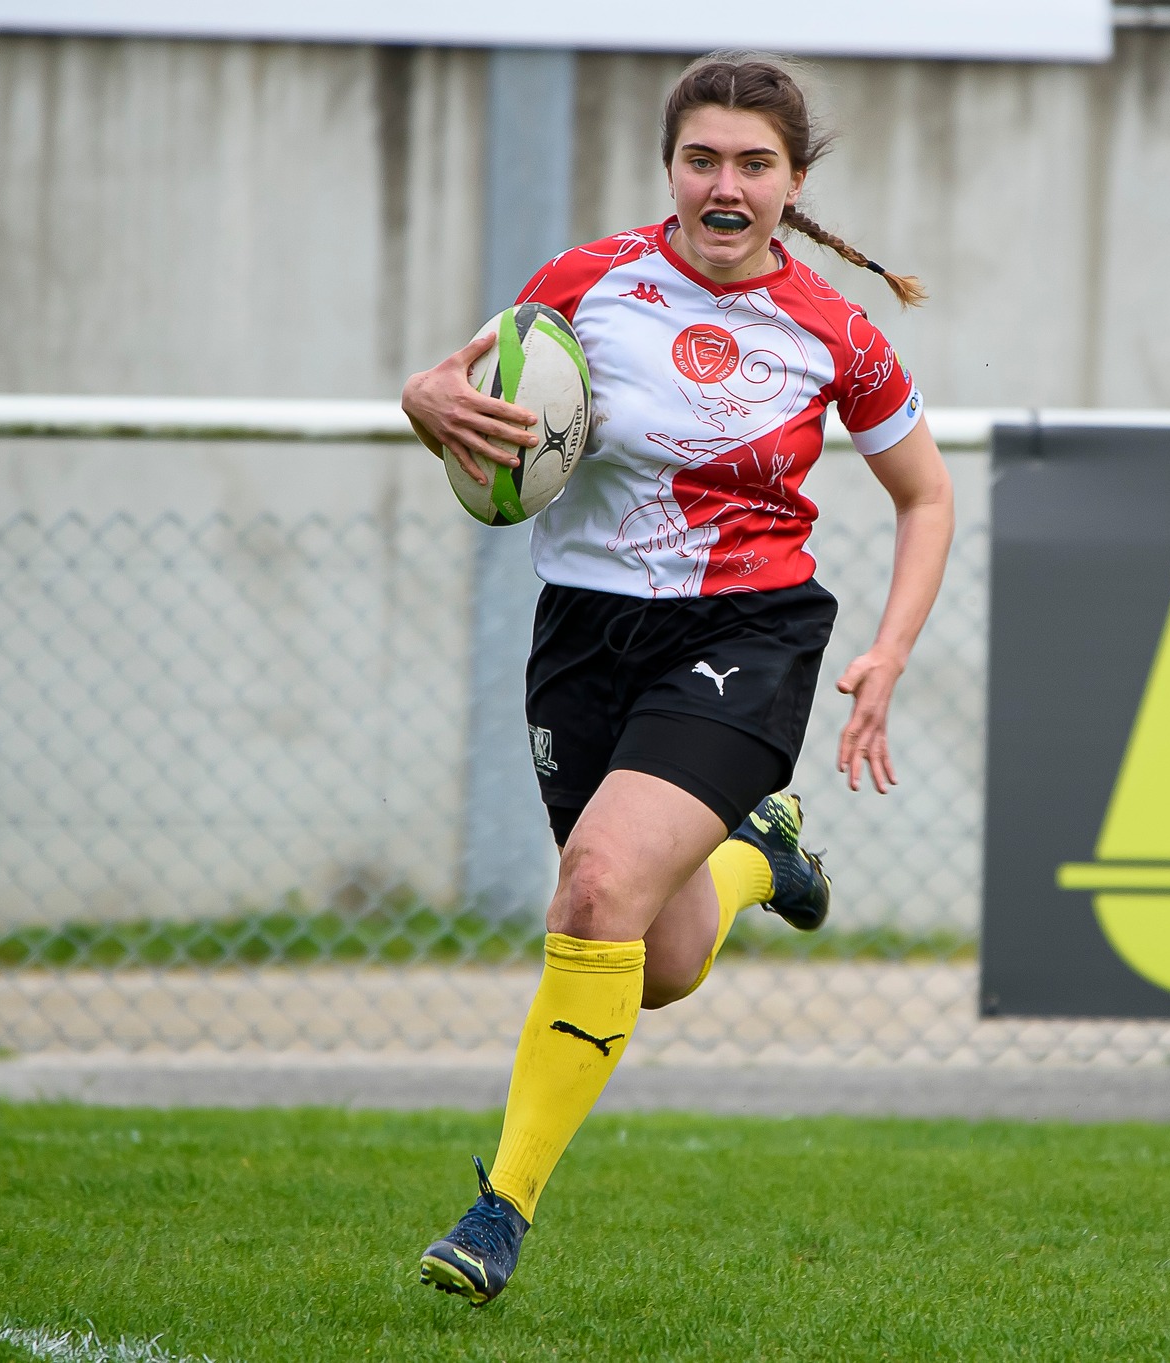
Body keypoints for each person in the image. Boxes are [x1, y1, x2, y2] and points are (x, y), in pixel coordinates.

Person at [399, 54, 953, 1303]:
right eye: (701, 158)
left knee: (592, 889)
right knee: (656, 958)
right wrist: (424, 396)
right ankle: (766, 857)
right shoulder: (584, 282)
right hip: (584, 633)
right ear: (669, 168)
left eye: (753, 163)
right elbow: (451, 390)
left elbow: (925, 495)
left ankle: (500, 1209)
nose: (724, 183)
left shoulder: (833, 329)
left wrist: (887, 651)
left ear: (792, 183)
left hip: (746, 633)